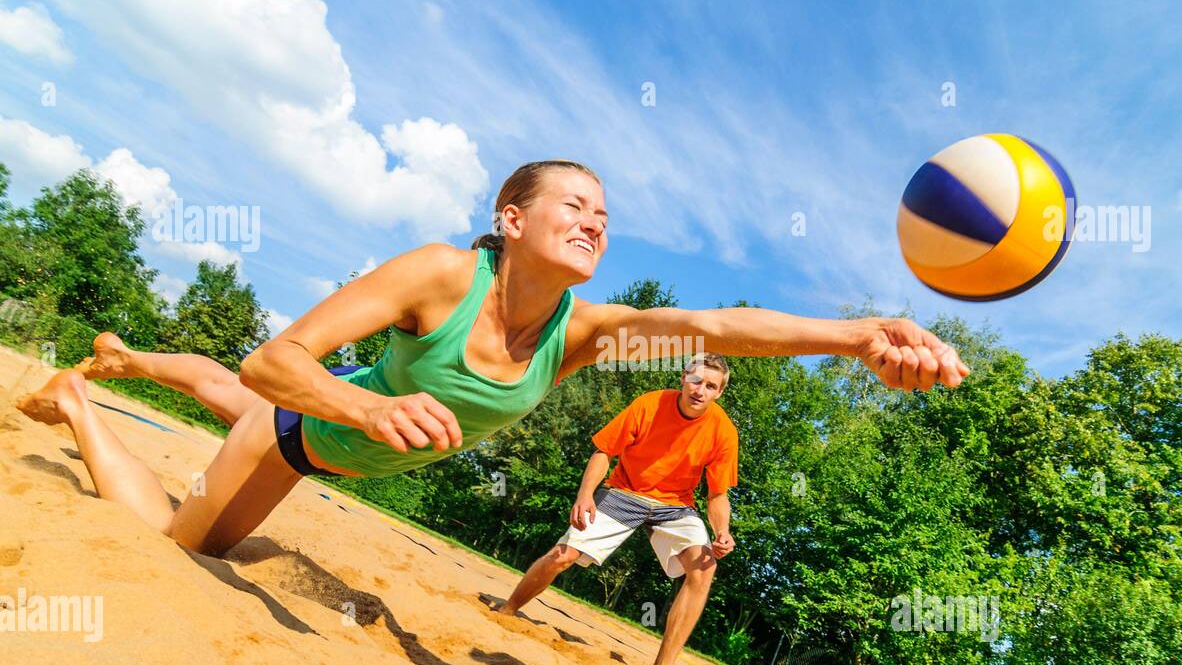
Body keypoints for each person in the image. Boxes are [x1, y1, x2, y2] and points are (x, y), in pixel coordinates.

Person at [16, 159, 970, 567]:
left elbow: (716, 326)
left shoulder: (583, 331)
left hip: (336, 418)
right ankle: (79, 400)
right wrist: (361, 415)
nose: (597, 221)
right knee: (182, 539)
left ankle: (128, 356)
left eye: (606, 215)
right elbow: (277, 361)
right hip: (309, 431)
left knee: (223, 393)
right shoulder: (441, 273)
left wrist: (854, 335)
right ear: (512, 219)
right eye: (575, 206)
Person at [498, 352, 737, 665]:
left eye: (710, 386)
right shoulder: (650, 405)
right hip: (625, 492)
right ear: (684, 377)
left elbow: (717, 494)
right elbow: (604, 451)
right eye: (696, 380)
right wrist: (584, 496)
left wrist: (722, 531)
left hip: (675, 506)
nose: (700, 390)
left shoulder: (723, 431)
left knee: (705, 568)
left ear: (719, 392)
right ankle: (507, 609)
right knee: (562, 555)